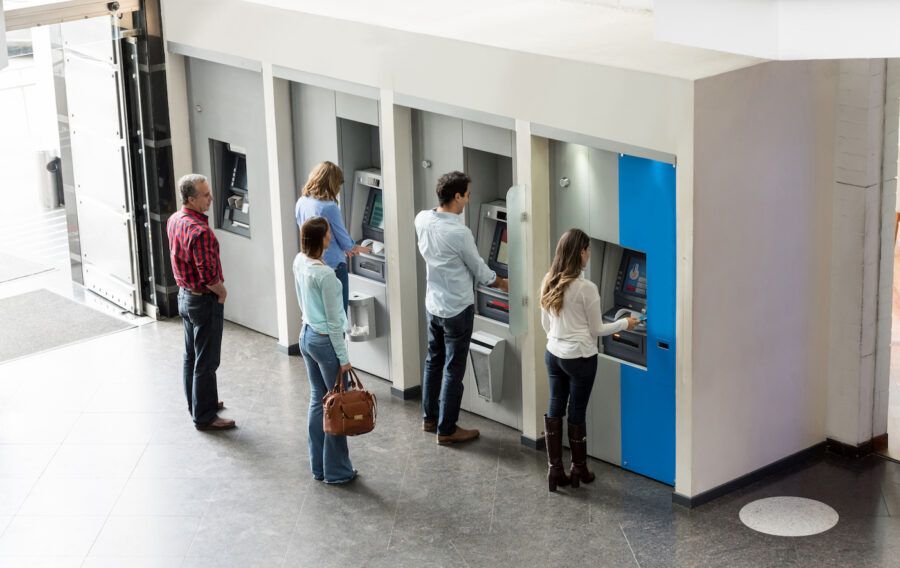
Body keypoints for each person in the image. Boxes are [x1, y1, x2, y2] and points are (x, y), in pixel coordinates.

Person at [540, 228, 638, 491]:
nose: (590, 254)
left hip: (553, 355)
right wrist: (625, 323)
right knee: (576, 412)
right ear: (581, 252)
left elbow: (545, 323)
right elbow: (597, 330)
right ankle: (578, 469)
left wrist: (560, 339)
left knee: (555, 409)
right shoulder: (587, 288)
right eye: (588, 250)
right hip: (580, 358)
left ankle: (554, 471)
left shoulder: (549, 279)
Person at [415, 171, 509, 445]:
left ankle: (429, 418)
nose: (469, 199)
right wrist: (502, 282)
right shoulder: (459, 233)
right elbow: (481, 271)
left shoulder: (422, 219)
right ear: (456, 196)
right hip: (457, 308)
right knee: (453, 369)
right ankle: (447, 429)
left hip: (433, 304)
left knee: (433, 361)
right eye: (467, 194)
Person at [166, 174, 235, 431]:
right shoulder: (200, 231)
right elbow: (208, 275)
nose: (211, 198)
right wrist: (222, 292)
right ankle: (205, 415)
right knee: (207, 361)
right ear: (191, 199)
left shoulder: (175, 220)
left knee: (191, 356)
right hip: (203, 300)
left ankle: (197, 403)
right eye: (205, 195)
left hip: (184, 296)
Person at [293, 216, 357, 484]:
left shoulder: (299, 261)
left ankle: (318, 467)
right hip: (324, 342)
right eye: (329, 232)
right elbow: (334, 323)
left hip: (306, 335)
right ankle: (338, 472)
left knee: (318, 400)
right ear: (323, 239)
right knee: (337, 406)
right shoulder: (325, 275)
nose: (331, 236)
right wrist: (344, 360)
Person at [295, 161, 369, 311]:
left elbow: (307, 231)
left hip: (311, 264)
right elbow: (345, 241)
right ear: (331, 184)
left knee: (318, 313)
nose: (338, 190)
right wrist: (365, 249)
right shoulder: (329, 207)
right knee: (338, 315)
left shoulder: (301, 202)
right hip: (334, 267)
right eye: (338, 186)